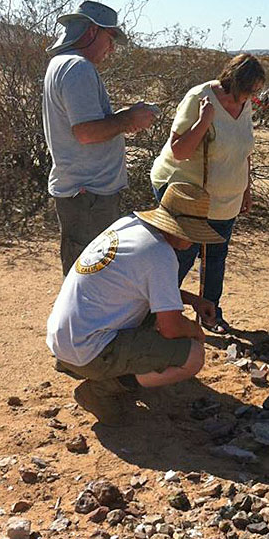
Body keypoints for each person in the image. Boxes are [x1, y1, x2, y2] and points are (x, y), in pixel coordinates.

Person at [46, 182, 224, 427]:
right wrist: (196, 332)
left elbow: (138, 285)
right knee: (193, 356)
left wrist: (193, 300)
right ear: (179, 229)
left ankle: (107, 370)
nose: (194, 242)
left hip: (65, 341)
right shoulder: (159, 253)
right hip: (89, 351)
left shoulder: (130, 226)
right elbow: (171, 328)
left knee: (159, 320)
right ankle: (101, 389)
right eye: (193, 233)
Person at [150, 53, 266, 333]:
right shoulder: (199, 97)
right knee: (182, 255)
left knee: (216, 255)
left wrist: (245, 188)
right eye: (250, 90)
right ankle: (160, 315)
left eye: (256, 91)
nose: (253, 96)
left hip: (226, 199)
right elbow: (179, 151)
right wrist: (204, 121)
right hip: (188, 194)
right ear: (235, 83)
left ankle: (211, 313)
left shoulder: (245, 103)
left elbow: (243, 150)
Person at [43, 0, 157, 276]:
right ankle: (81, 321)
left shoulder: (63, 64)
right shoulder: (77, 67)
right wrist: (129, 119)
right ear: (92, 32)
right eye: (110, 37)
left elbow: (87, 126)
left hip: (86, 193)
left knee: (87, 271)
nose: (112, 47)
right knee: (90, 275)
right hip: (88, 195)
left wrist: (123, 118)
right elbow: (85, 132)